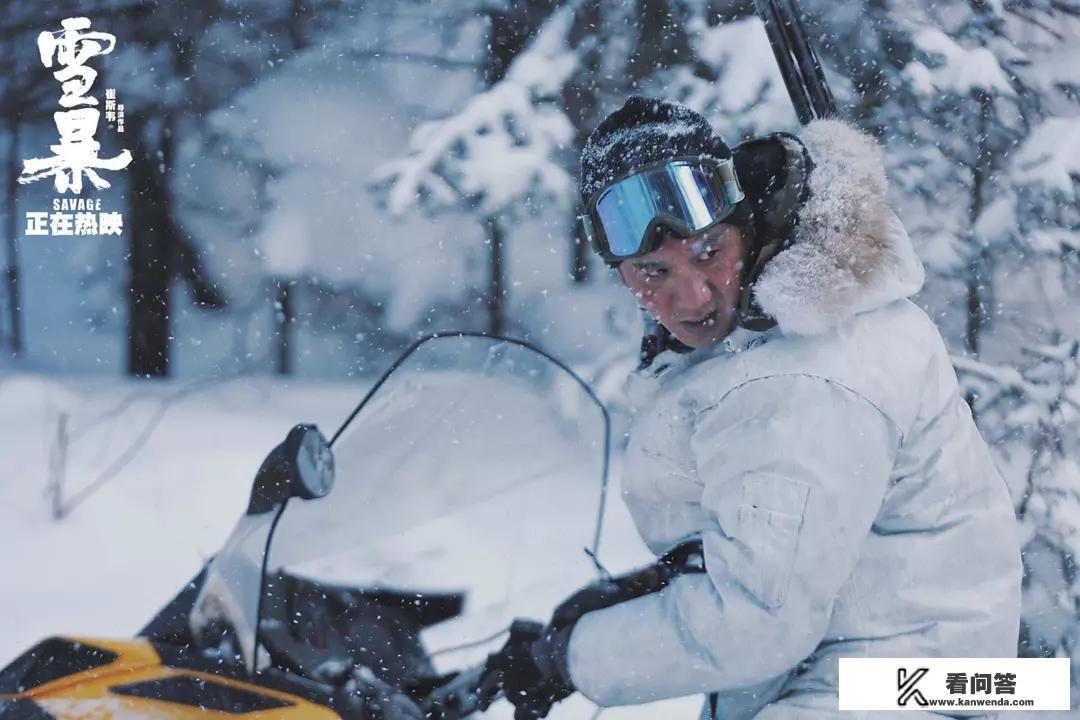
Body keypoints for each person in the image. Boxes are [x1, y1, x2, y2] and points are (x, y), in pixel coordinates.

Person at [493, 96, 1023, 719]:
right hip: (916, 672)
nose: (689, 296)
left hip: (904, 691)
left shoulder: (802, 374)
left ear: (743, 221)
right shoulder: (782, 327)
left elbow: (758, 621)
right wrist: (652, 589)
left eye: (708, 252)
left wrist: (571, 657)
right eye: (652, 270)